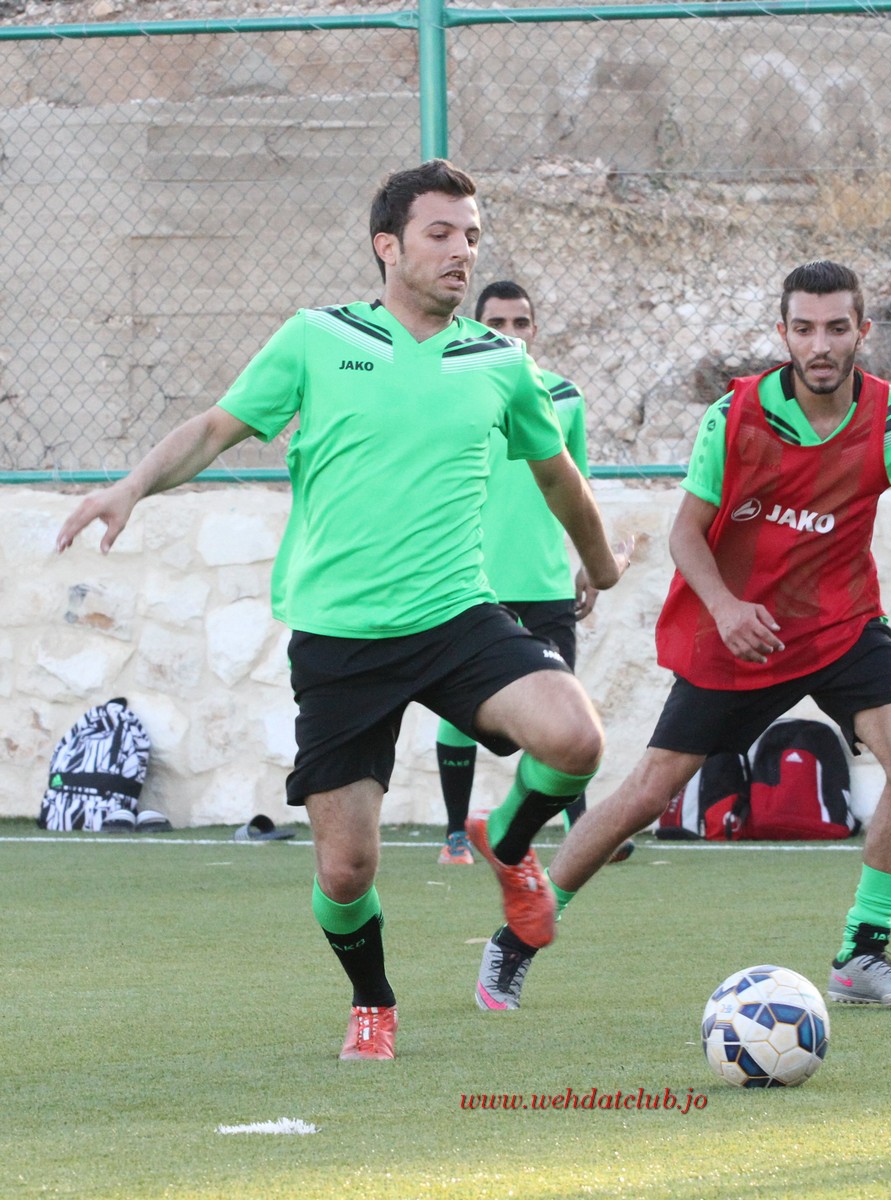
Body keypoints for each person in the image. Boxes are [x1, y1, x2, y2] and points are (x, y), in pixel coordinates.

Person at [56, 159, 628, 1060]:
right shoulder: (316, 338)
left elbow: (559, 476)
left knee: (574, 738)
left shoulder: (498, 362)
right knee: (346, 868)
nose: (461, 252)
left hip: (455, 616)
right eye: (440, 234)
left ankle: (511, 846)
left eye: (471, 236)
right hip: (341, 639)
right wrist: (130, 487)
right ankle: (372, 1000)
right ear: (387, 246)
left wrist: (600, 568)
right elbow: (215, 428)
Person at [478, 259, 891, 1012]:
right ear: (783, 334)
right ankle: (518, 937)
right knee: (649, 791)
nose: (821, 345)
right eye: (804, 329)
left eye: (836, 328)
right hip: (740, 636)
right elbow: (686, 534)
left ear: (862, 331)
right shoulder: (734, 417)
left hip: (841, 625)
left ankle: (861, 953)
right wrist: (727, 609)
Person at [434, 280, 635, 870]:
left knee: (564, 709)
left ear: (535, 330)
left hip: (546, 583)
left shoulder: (564, 395)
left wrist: (592, 563)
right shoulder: (451, 391)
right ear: (473, 328)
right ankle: (455, 836)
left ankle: (580, 829)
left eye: (520, 323)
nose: (510, 334)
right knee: (460, 713)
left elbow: (576, 485)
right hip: (472, 583)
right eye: (496, 323)